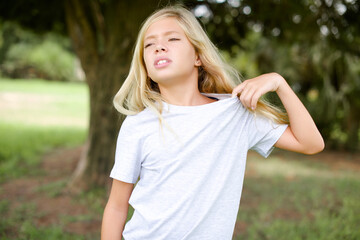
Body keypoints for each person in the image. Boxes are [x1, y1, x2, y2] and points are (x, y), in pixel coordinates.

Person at [101, 5, 324, 240]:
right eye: (149, 44)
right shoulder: (138, 125)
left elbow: (310, 143)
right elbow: (116, 207)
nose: (159, 47)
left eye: (173, 38)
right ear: (145, 64)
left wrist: (279, 83)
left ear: (198, 56)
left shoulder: (235, 115)